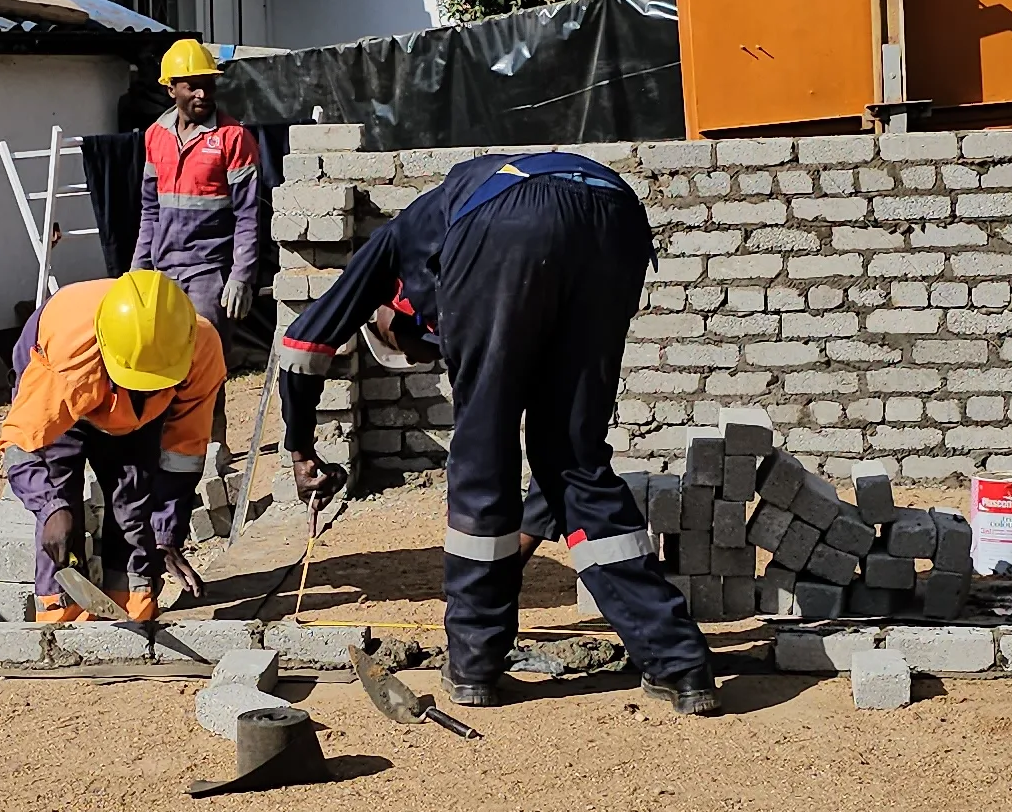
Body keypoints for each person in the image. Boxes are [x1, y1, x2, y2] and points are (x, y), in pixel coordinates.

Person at [272, 152, 718, 715]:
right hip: (615, 217)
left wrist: (299, 447)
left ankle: (476, 663)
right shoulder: (447, 240)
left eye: (415, 344)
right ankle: (679, 664)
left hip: (507, 219)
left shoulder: (392, 248)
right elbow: (557, 474)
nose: (427, 352)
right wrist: (520, 541)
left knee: (483, 452)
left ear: (390, 310)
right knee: (574, 456)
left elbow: (303, 344)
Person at [0, 269, 222, 623]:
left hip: (139, 416)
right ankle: (60, 623)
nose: (144, 387)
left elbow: (184, 450)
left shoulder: (200, 348)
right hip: (68, 392)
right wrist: (50, 507)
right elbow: (23, 444)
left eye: (153, 381)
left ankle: (134, 612)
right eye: (137, 380)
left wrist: (166, 534)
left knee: (133, 505)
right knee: (61, 521)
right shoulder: (68, 356)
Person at [128, 37, 268, 324]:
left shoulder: (234, 138)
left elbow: (248, 214)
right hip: (163, 270)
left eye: (208, 84)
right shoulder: (155, 136)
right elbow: (150, 209)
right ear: (171, 89)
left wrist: (241, 276)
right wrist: (139, 267)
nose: (203, 93)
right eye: (192, 86)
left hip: (210, 272)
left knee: (206, 348)